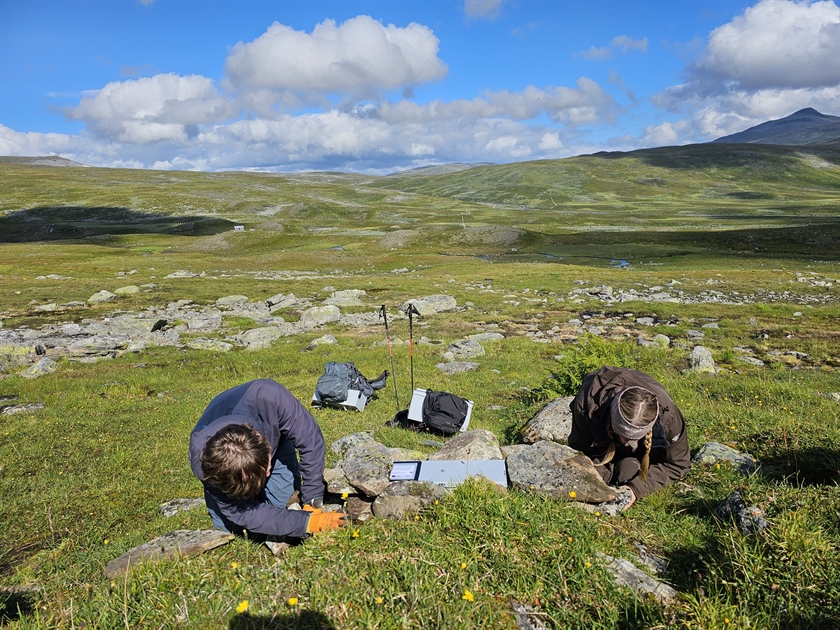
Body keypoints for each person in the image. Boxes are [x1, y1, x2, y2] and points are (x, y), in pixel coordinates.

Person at [189, 379, 345, 539]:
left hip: (268, 422)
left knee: (284, 504)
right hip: (227, 445)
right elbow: (244, 514)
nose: (267, 475)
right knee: (230, 531)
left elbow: (310, 441)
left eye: (267, 469)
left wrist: (312, 499)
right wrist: (307, 524)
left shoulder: (270, 397)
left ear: (260, 438)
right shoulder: (206, 464)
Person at [568, 366, 690, 510]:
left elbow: (678, 464)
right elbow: (581, 451)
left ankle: (626, 464)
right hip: (600, 445)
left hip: (642, 455)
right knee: (594, 477)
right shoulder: (588, 403)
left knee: (628, 471)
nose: (624, 441)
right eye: (620, 432)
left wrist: (635, 489)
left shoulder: (668, 416)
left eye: (632, 437)